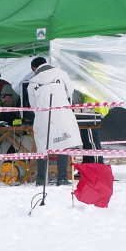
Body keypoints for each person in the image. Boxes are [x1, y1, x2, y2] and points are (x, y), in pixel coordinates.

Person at [27, 57, 82, 186]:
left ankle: (41, 178)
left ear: (34, 68)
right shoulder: (61, 74)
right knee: (63, 145)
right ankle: (62, 178)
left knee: (42, 147)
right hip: (62, 114)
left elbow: (33, 104)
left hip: (42, 116)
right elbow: (70, 91)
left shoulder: (32, 83)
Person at [72, 90, 107, 164]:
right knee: (87, 139)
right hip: (88, 108)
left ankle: (95, 165)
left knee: (91, 140)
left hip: (92, 109)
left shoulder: (92, 80)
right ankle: (88, 164)